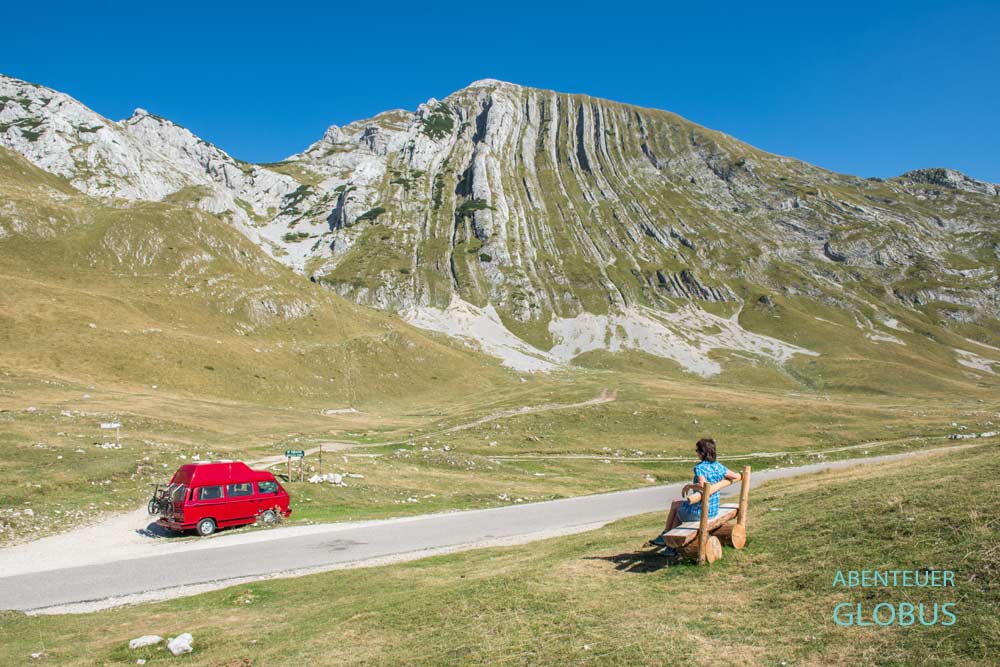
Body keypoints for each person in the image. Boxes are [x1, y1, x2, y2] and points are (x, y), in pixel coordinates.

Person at [650, 438, 741, 553]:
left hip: (700, 512)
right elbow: (735, 476)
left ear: (703, 453)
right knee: (678, 507)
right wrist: (720, 481)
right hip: (713, 510)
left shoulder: (700, 468)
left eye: (697, 450)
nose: (696, 453)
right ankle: (668, 544)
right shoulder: (718, 466)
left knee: (675, 506)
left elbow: (703, 486)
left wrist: (689, 486)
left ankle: (666, 540)